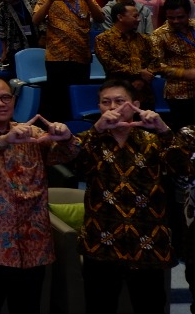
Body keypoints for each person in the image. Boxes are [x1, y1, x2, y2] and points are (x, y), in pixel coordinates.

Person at [0, 76, 78, 314]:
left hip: (33, 241)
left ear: (13, 101)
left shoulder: (32, 133)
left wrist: (66, 137)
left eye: (5, 97)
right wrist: (4, 140)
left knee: (28, 307)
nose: (1, 103)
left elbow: (67, 155)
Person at [71, 80, 190, 314]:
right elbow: (75, 165)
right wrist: (96, 130)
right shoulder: (90, 139)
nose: (113, 107)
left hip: (147, 242)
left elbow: (183, 167)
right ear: (99, 107)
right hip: (101, 242)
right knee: (99, 306)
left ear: (135, 105)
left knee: (149, 306)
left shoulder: (154, 140)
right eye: (106, 102)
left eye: (119, 101)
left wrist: (164, 129)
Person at [32, 0, 105, 122]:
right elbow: (36, 20)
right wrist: (51, 0)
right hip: (56, 56)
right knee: (56, 97)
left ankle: (78, 128)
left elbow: (100, 18)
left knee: (79, 95)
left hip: (81, 56)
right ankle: (56, 129)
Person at [94, 2, 159, 108]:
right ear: (120, 17)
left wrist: (142, 79)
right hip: (116, 90)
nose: (138, 20)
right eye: (135, 16)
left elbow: (155, 61)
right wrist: (139, 73)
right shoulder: (103, 39)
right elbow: (110, 63)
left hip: (143, 91)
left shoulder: (144, 39)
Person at [153, 0, 195, 130]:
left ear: (188, 14)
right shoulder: (159, 35)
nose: (175, 21)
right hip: (179, 94)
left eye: (180, 17)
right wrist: (184, 73)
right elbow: (156, 65)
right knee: (184, 134)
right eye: (171, 18)